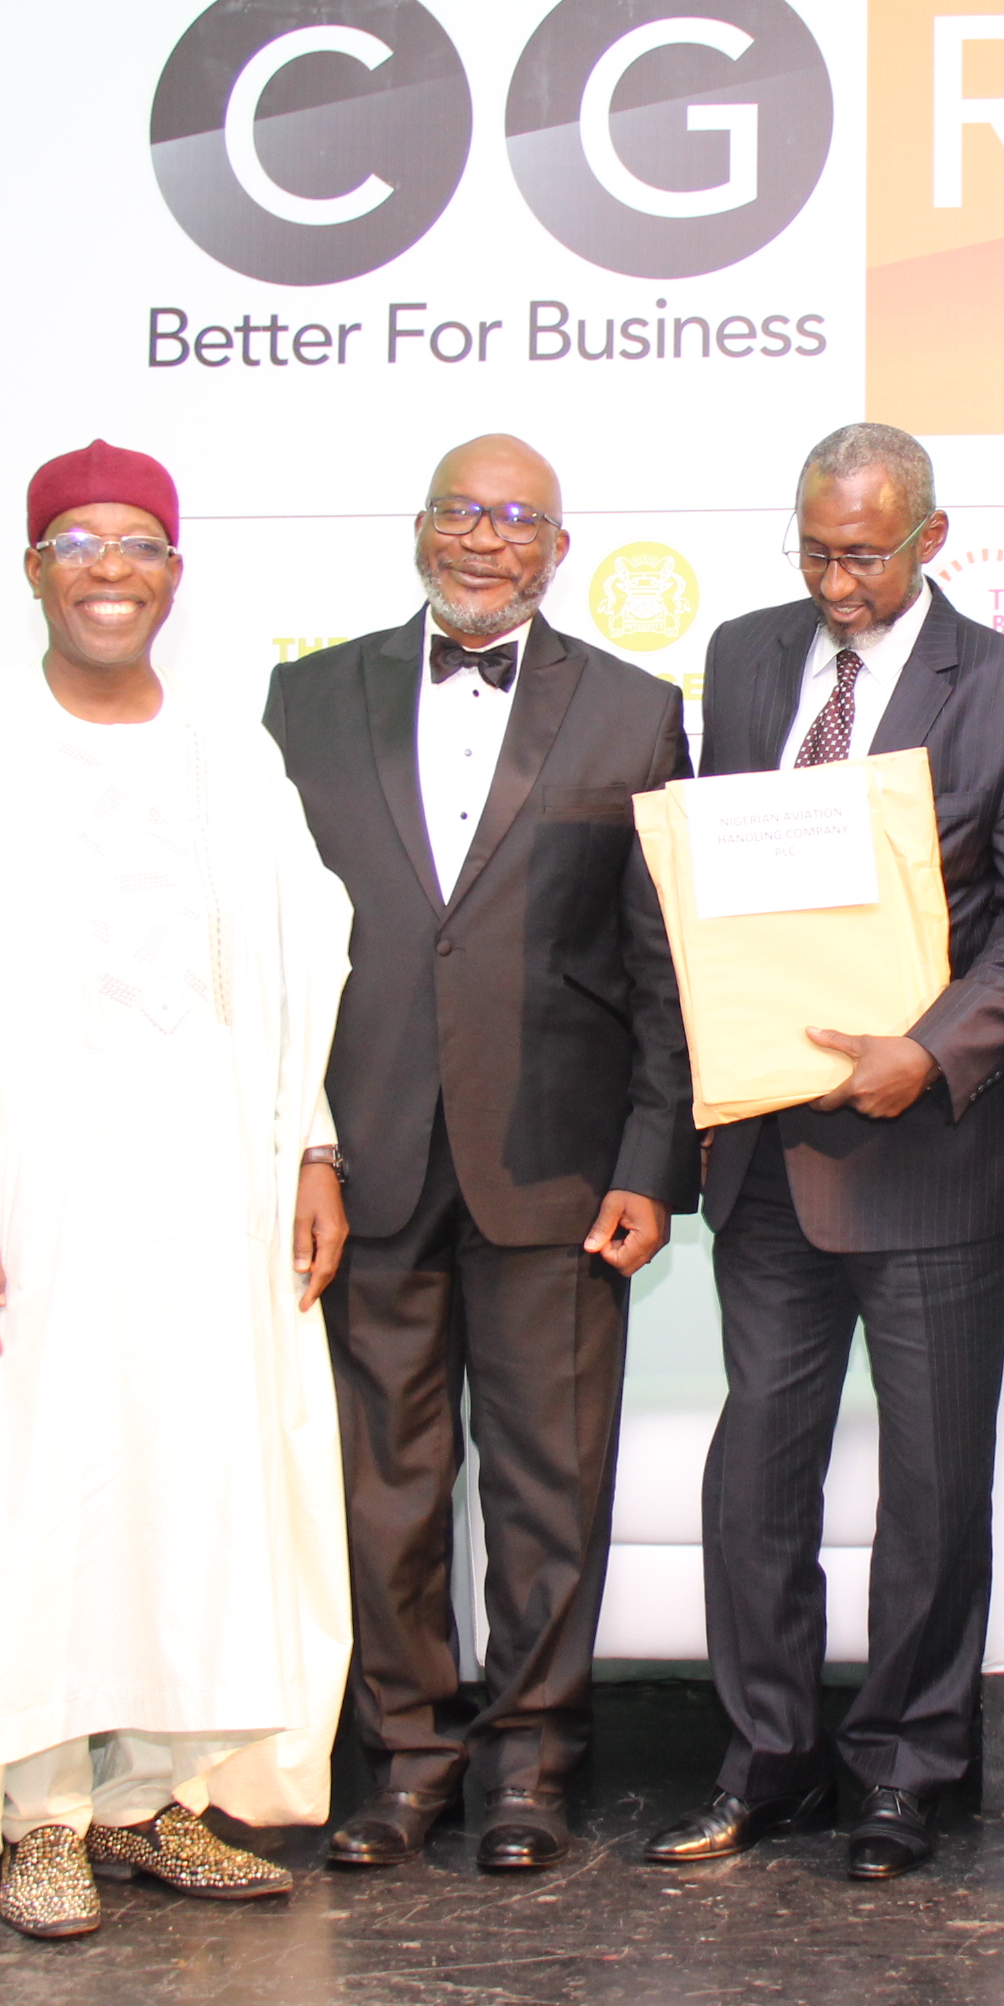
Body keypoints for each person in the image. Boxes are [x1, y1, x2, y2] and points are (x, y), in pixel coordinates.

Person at [0, 441, 355, 1941]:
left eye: (139, 544)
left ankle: (155, 1798)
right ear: (33, 569)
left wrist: (311, 1148)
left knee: (191, 1476)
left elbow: (295, 978)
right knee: (29, 1485)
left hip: (208, 1183)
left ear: (176, 571)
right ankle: (38, 1810)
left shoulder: (232, 754)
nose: (112, 569)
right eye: (78, 542)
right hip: (23, 1183)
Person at [644, 422, 1004, 1882]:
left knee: (929, 1487)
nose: (836, 582)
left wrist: (939, 1050)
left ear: (932, 540)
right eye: (814, 549)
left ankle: (907, 1768)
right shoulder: (750, 653)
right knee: (754, 1472)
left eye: (864, 554)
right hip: (770, 1150)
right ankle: (765, 1758)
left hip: (928, 1159)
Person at [265, 433, 696, 1876]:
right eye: (463, 511)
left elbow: (662, 963)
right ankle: (404, 1760)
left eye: (519, 520)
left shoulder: (636, 711)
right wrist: (301, 1144)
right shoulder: (304, 699)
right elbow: (272, 956)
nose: (485, 538)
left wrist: (651, 1157)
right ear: (418, 528)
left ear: (558, 551)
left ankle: (531, 1766)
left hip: (560, 1169)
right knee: (383, 1484)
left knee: (546, 1486)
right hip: (368, 1156)